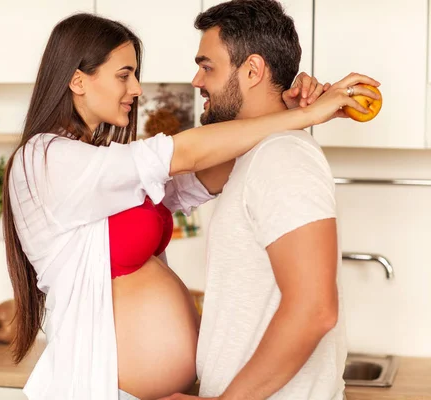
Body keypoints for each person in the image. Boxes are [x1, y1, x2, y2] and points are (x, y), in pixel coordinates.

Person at [1, 12, 377, 400]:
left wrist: (285, 116)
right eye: (124, 74)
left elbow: (192, 181)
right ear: (78, 79)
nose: (137, 89)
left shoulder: (96, 165)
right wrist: (305, 114)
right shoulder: (44, 159)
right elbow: (184, 155)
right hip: (95, 387)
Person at [159, 1, 380, 399]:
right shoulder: (256, 153)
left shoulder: (283, 156)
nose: (196, 80)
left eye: (207, 66)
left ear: (253, 70)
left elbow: (314, 310)